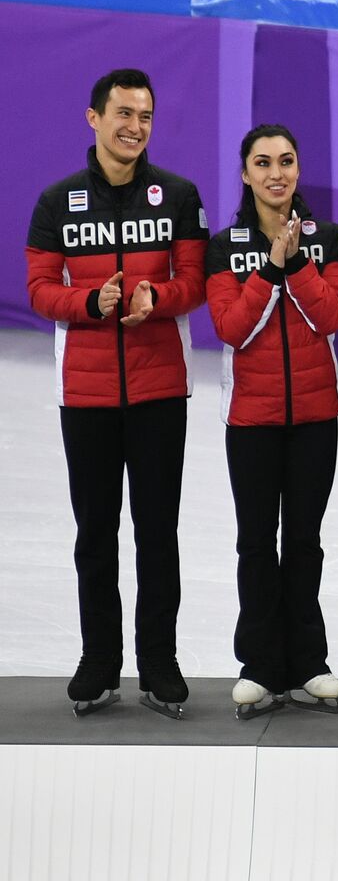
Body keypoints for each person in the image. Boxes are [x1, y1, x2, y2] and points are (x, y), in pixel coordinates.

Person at [25, 68, 209, 719]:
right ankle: (98, 662)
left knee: (158, 534)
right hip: (86, 396)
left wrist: (158, 297)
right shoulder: (57, 202)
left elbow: (196, 283)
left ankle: (159, 663)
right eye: (124, 113)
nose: (135, 127)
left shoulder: (178, 196)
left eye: (145, 116)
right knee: (95, 535)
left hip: (160, 392)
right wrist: (87, 303)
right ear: (94, 118)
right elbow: (39, 289)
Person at [205, 124, 338, 718]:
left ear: (298, 170)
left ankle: (308, 662)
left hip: (316, 418)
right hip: (251, 420)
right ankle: (260, 666)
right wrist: (270, 268)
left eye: (286, 161)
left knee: (304, 542)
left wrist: (295, 266)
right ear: (245, 174)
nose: (276, 173)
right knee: (255, 544)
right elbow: (231, 328)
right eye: (263, 163)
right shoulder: (224, 246)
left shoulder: (330, 239)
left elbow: (332, 316)